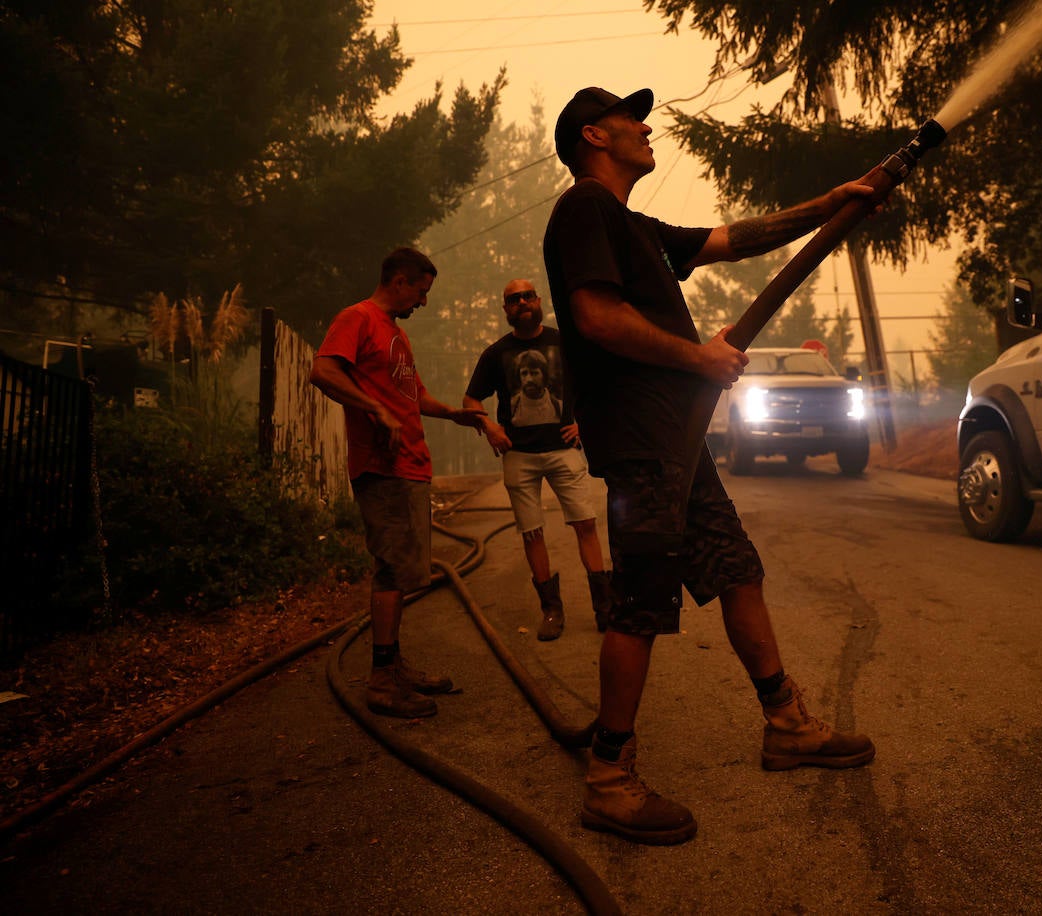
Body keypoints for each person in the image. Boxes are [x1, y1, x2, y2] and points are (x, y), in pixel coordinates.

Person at [542, 86, 877, 845]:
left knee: (734, 568)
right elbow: (595, 318)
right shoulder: (583, 211)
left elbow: (739, 238)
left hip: (678, 439)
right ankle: (609, 775)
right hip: (641, 439)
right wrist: (699, 356)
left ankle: (786, 722)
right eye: (632, 117)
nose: (647, 124)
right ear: (595, 134)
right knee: (642, 601)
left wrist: (836, 200)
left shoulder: (636, 228)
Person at [310, 247, 487, 719]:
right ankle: (382, 682)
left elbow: (415, 394)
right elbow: (322, 371)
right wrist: (375, 410)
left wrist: (453, 414)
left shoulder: (395, 335)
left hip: (410, 466)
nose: (424, 302)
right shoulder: (358, 318)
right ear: (399, 281)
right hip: (382, 468)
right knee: (391, 570)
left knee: (405, 574)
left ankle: (393, 663)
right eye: (421, 291)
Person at [463, 279, 613, 640]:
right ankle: (551, 610)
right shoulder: (496, 354)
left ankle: (605, 609)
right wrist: (490, 428)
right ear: (506, 309)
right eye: (513, 299)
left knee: (586, 524)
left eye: (527, 296)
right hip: (518, 456)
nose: (521, 303)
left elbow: (599, 384)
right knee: (532, 533)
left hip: (564, 451)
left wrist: (582, 423)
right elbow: (471, 400)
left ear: (538, 300)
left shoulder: (565, 344)